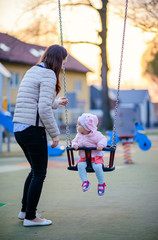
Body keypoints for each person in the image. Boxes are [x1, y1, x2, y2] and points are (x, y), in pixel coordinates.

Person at [13, 44, 68, 227]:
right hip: (32, 129)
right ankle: (31, 217)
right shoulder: (49, 74)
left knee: (34, 171)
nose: (63, 67)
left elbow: (37, 102)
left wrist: (56, 102)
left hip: (19, 129)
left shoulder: (33, 70)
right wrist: (55, 135)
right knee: (40, 173)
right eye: (63, 62)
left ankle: (24, 211)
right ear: (58, 60)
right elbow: (42, 109)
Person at [72, 113, 108, 196]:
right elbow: (74, 141)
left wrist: (100, 145)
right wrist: (75, 145)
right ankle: (85, 181)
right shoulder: (78, 135)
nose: (77, 126)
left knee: (98, 167)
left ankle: (101, 183)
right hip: (84, 159)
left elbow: (104, 139)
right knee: (80, 166)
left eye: (79, 124)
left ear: (87, 127)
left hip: (96, 158)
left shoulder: (96, 134)